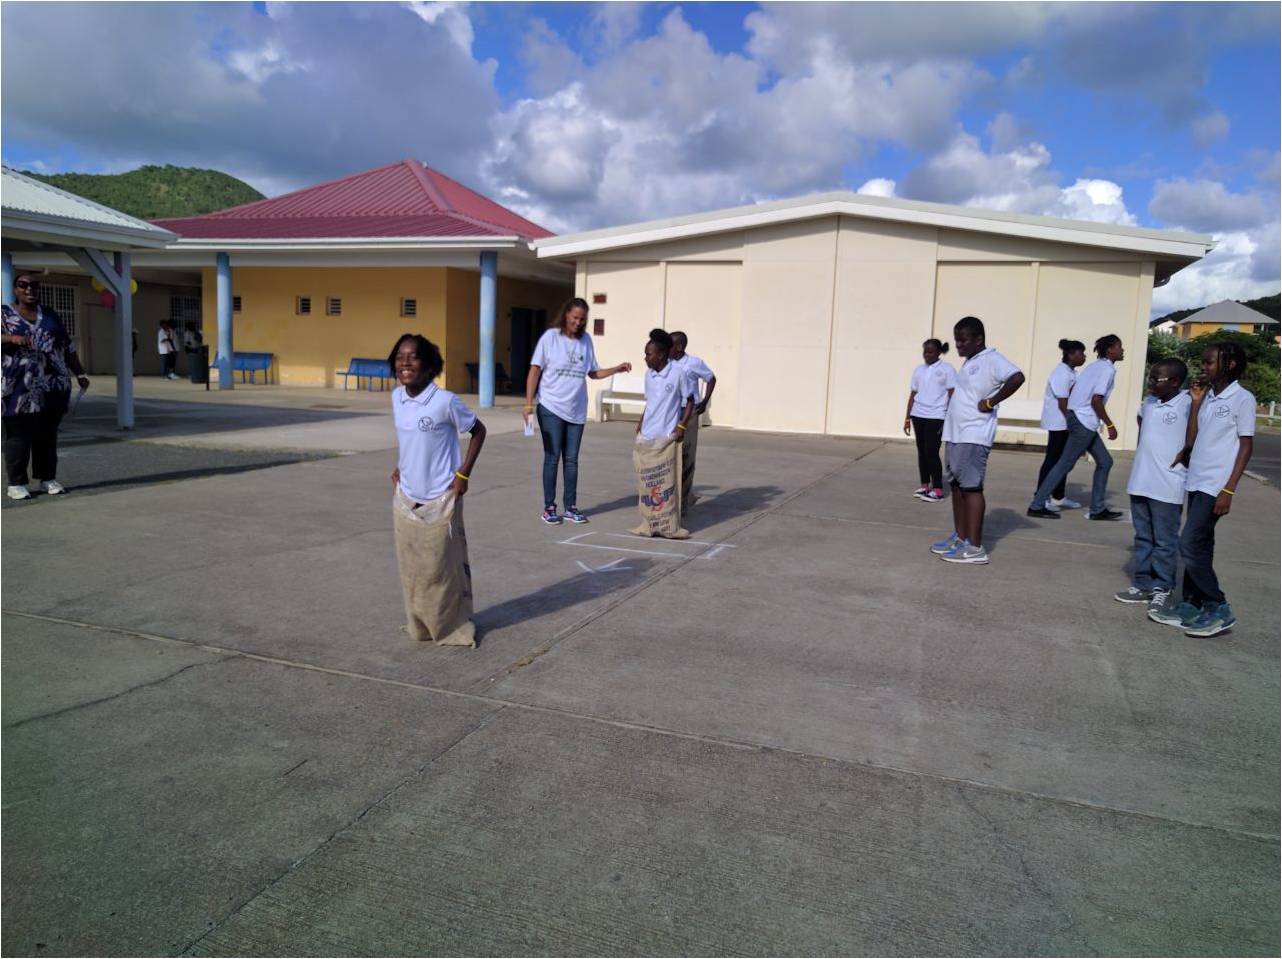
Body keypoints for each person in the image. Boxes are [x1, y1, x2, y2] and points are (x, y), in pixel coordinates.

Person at [1149, 342, 1255, 638]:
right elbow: (1194, 437)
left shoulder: (1241, 399)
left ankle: (1218, 607)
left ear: (1230, 364)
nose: (1204, 367)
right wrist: (1195, 404)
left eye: (1209, 362)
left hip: (1215, 486)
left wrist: (1229, 490)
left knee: (1190, 544)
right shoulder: (1208, 397)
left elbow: (1246, 446)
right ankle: (1191, 605)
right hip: (1196, 480)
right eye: (1204, 362)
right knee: (1202, 545)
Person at [388, 333, 486, 647]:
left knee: (441, 569)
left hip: (441, 498)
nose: (405, 362)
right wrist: (401, 465)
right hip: (407, 496)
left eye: (413, 356)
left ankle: (449, 625)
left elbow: (478, 431)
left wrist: (463, 474)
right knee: (413, 569)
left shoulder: (444, 401)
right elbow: (410, 439)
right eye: (400, 356)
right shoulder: (396, 397)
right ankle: (421, 624)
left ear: (429, 366)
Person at [523, 297, 631, 525]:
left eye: (582, 319)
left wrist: (617, 369)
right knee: (553, 458)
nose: (578, 323)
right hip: (551, 407)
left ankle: (570, 507)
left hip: (576, 410)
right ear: (566, 316)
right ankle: (549, 507)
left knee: (571, 460)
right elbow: (535, 371)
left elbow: (593, 372)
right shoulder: (550, 338)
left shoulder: (586, 341)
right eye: (575, 318)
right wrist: (528, 404)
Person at [929, 316, 1025, 565]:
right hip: (956, 433)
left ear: (979, 339)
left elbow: (1017, 377)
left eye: (963, 340)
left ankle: (975, 548)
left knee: (971, 488)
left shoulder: (992, 359)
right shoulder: (972, 361)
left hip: (973, 434)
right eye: (957, 340)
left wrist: (991, 402)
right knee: (958, 487)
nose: (958, 345)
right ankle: (961, 538)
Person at [2, 272, 90, 500]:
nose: (29, 289)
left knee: (47, 435)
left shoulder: (50, 314)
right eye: (23, 285)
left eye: (34, 285)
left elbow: (67, 346)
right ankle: (16, 483)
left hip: (53, 384)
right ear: (15, 289)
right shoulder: (4, 313)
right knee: (18, 436)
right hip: (18, 388)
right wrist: (11, 339)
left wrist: (79, 372)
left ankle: (47, 478)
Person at [1114, 358, 1190, 615]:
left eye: (1156, 379)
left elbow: (1199, 430)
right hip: (1140, 482)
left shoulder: (1188, 403)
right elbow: (1141, 423)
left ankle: (1163, 589)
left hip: (1167, 485)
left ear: (1176, 382)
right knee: (1143, 538)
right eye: (1150, 377)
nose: (1150, 383)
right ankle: (1143, 584)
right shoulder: (1148, 403)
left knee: (1165, 542)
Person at [1027, 334, 1125, 521]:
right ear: (1110, 349)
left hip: (1082, 419)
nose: (1122, 350)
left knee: (1105, 462)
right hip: (1083, 421)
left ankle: (1097, 509)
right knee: (1064, 463)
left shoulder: (1095, 367)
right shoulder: (1106, 370)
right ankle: (1037, 504)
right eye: (1120, 347)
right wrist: (1110, 425)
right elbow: (1096, 400)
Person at [630, 329, 694, 539]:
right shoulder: (649, 375)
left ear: (661, 354)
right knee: (647, 484)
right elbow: (651, 402)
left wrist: (681, 426)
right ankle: (648, 525)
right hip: (647, 437)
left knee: (665, 484)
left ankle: (669, 527)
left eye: (649, 354)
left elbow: (690, 401)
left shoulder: (678, 373)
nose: (645, 358)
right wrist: (640, 422)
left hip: (666, 438)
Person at [1035, 339, 1087, 512]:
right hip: (1058, 423)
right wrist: (1072, 422)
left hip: (1065, 423)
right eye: (1081, 353)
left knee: (1064, 460)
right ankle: (1041, 496)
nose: (1084, 357)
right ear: (1071, 355)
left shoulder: (1072, 372)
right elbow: (1062, 402)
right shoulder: (1061, 373)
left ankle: (1058, 496)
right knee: (1052, 460)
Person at [903, 338, 956, 502]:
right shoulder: (919, 370)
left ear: (939, 352)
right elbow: (913, 394)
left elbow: (952, 393)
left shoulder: (947, 369)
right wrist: (907, 417)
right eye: (925, 351)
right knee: (921, 451)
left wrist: (951, 416)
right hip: (918, 414)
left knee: (932, 452)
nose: (927, 355)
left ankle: (938, 489)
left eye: (931, 352)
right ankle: (925, 485)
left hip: (937, 415)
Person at [668, 330, 716, 507]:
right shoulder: (667, 363)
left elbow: (711, 378)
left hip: (689, 412)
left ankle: (685, 500)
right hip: (672, 412)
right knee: (671, 454)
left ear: (679, 347)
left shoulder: (694, 363)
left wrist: (704, 401)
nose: (667, 348)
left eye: (670, 345)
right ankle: (673, 497)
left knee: (687, 455)